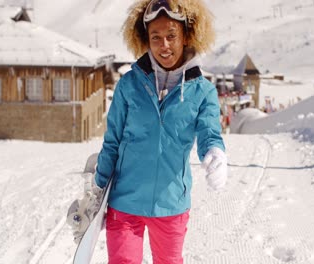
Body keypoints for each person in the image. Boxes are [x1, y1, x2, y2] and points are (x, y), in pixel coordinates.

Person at [73, 0, 227, 263]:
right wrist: (97, 194)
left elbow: (209, 130)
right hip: (125, 204)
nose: (164, 45)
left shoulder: (203, 91)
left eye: (171, 36)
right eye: (156, 37)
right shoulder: (129, 85)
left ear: (187, 36)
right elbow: (112, 143)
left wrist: (215, 152)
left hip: (171, 205)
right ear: (145, 39)